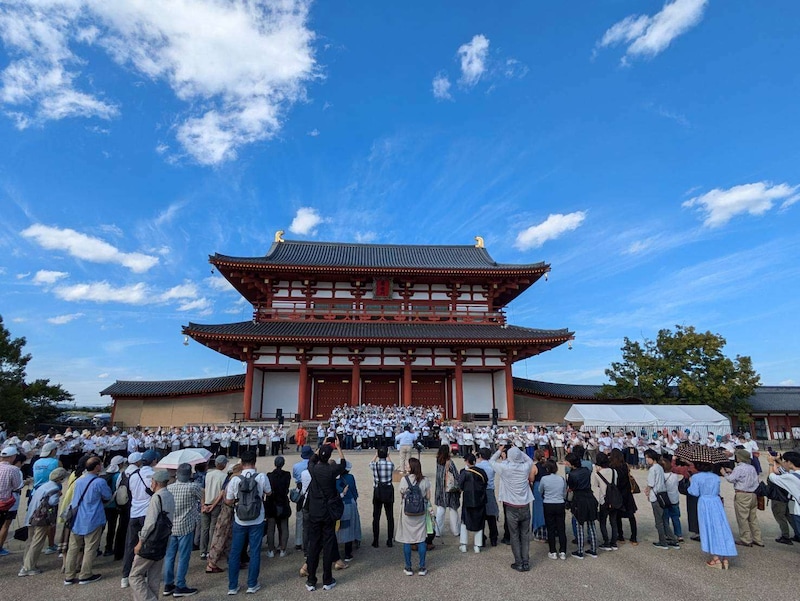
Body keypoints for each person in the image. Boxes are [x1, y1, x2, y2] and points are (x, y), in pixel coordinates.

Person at [225, 450, 270, 595]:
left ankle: (232, 586)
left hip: (240, 518)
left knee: (235, 552)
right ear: (254, 462)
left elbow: (229, 500)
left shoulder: (235, 479)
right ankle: (252, 584)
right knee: (255, 551)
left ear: (241, 463)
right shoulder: (261, 477)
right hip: (257, 518)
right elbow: (269, 492)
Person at [63, 455, 113, 585]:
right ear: (97, 467)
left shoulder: (79, 480)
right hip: (92, 517)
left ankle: (69, 575)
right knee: (90, 548)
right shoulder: (99, 482)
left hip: (77, 517)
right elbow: (107, 495)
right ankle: (85, 574)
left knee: (73, 548)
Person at [305, 441, 347, 592]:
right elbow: (343, 464)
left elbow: (311, 459)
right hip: (328, 511)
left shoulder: (313, 468)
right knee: (328, 544)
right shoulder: (331, 470)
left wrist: (320, 447)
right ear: (329, 456)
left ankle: (311, 580)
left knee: (313, 545)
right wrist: (339, 448)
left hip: (315, 510)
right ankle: (327, 579)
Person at [129, 469, 175, 601]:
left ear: (156, 483)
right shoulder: (170, 496)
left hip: (151, 541)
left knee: (135, 575)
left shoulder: (156, 497)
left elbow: (150, 523)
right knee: (154, 577)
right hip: (163, 539)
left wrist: (140, 541)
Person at [490, 445, 535, 571]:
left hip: (511, 506)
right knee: (525, 535)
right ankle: (526, 561)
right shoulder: (525, 467)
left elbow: (491, 461)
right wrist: (519, 451)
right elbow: (529, 460)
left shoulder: (505, 467)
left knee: (514, 535)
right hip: (525, 504)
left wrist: (499, 450)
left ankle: (519, 562)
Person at [687, 461, 737, 569]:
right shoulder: (715, 477)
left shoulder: (696, 477)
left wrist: (690, 484)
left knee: (708, 527)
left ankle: (716, 559)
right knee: (721, 526)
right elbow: (718, 490)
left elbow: (694, 492)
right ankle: (725, 558)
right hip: (715, 501)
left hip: (705, 502)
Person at [163, 463, 203, 597]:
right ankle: (180, 585)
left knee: (170, 557)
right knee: (184, 557)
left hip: (171, 525)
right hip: (185, 525)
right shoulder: (193, 487)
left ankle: (168, 584)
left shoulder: (169, 487)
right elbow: (202, 497)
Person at [19, 467, 67, 576]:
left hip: (31, 515)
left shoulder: (43, 486)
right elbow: (53, 502)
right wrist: (59, 496)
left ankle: (26, 563)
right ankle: (28, 567)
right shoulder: (54, 488)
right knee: (38, 541)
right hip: (41, 518)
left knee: (30, 541)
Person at [121, 449, 158, 589]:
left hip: (134, 512)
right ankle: (145, 572)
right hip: (147, 512)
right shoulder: (153, 475)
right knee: (148, 543)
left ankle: (125, 575)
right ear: (154, 461)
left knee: (130, 544)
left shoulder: (133, 475)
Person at [206, 462, 244, 574]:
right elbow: (228, 499)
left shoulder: (228, 480)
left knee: (227, 537)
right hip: (228, 513)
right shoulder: (234, 482)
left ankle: (230, 560)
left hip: (225, 511)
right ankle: (212, 563)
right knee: (221, 537)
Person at [396, 457, 431, 576]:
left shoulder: (404, 480)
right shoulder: (424, 480)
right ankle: (422, 566)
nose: (406, 466)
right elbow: (428, 497)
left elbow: (401, 493)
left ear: (411, 467)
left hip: (407, 513)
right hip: (420, 512)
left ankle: (408, 566)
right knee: (421, 539)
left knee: (407, 539)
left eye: (407, 465)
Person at [721, 449, 763, 547]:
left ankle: (746, 539)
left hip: (742, 494)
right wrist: (732, 472)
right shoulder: (752, 467)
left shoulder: (739, 468)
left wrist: (724, 473)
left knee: (742, 518)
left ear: (739, 458)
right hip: (753, 494)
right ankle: (758, 538)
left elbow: (730, 479)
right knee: (753, 518)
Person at [643, 449, 679, 550]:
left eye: (647, 458)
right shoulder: (659, 467)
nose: (646, 460)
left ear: (651, 458)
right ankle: (672, 539)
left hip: (656, 496)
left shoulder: (653, 469)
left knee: (659, 521)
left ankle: (663, 541)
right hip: (662, 495)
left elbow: (651, 483)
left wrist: (647, 490)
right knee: (664, 520)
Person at [566, 451, 597, 559]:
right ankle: (593, 549)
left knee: (579, 525)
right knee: (591, 524)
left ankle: (580, 551)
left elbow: (571, 487)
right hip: (589, 496)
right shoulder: (586, 470)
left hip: (579, 498)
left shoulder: (572, 474)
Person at [457, 453, 487, 553]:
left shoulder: (464, 472)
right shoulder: (482, 472)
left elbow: (460, 486)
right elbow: (485, 483)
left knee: (465, 522)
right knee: (479, 522)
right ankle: (477, 545)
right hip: (480, 500)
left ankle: (464, 544)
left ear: (466, 461)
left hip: (468, 500)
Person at [200, 455, 228, 560]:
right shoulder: (224, 476)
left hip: (206, 503)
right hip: (215, 504)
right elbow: (221, 493)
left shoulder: (207, 474)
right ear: (224, 465)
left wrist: (203, 504)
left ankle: (203, 551)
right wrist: (213, 505)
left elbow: (202, 490)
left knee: (204, 528)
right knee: (213, 528)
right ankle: (210, 550)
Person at [766, 451, 800, 537]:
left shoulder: (790, 477)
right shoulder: (794, 475)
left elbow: (772, 477)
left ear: (790, 462)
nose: (784, 463)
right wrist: (779, 461)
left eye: (785, 461)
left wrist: (771, 463)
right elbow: (789, 470)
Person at [609, 448, 638, 546]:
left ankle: (620, 535)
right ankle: (633, 537)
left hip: (617, 493)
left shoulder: (612, 467)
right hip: (627, 493)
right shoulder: (625, 466)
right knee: (631, 516)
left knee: (617, 516)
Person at [539, 460, 567, 559]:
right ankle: (563, 551)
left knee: (550, 528)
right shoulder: (561, 479)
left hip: (548, 503)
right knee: (561, 528)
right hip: (559, 503)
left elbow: (540, 490)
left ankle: (553, 551)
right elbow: (564, 492)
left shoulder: (544, 479)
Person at [592, 452, 619, 551]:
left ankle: (606, 542)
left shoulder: (598, 474)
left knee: (603, 521)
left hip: (604, 499)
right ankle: (614, 542)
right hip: (614, 498)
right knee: (613, 521)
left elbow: (597, 486)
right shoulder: (614, 471)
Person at [265, 455, 291, 558]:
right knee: (284, 527)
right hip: (282, 501)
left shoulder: (269, 475)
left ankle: (271, 550)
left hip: (272, 502)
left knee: (271, 528)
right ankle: (283, 549)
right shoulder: (287, 475)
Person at [0, 445, 23, 557]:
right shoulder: (13, 469)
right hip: (6, 502)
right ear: (12, 457)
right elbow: (17, 486)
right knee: (5, 525)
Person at [369, 447, 395, 548]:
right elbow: (391, 464)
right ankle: (389, 540)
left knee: (376, 517)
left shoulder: (374, 465)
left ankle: (376, 540)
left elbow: (371, 462)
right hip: (388, 490)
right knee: (390, 517)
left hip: (378, 491)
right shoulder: (390, 465)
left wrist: (376, 455)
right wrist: (388, 456)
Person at [336, 460, 361, 561]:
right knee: (349, 527)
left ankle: (335, 551)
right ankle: (347, 553)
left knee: (337, 527)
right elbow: (355, 492)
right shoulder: (350, 477)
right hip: (349, 503)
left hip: (337, 504)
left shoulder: (334, 479)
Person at [434, 445, 461, 538]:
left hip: (440, 490)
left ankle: (437, 531)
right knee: (453, 510)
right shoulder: (450, 462)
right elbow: (456, 475)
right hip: (450, 489)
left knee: (440, 511)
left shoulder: (438, 461)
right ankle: (456, 531)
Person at [476, 448, 499, 547]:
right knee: (491, 516)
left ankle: (481, 538)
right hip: (489, 490)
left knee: (480, 516)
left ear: (480, 456)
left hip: (480, 491)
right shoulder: (492, 465)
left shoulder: (477, 466)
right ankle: (494, 538)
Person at [293, 446, 313, 552]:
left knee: (299, 517)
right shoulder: (314, 465)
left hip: (300, 491)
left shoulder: (296, 466)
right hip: (311, 492)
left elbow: (296, 477)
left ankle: (298, 542)